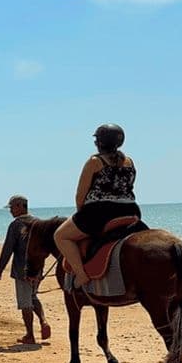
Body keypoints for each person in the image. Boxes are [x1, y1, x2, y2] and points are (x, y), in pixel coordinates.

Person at [54, 123, 141, 287]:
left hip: (100, 213)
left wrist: (80, 214)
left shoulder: (95, 161)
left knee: (60, 236)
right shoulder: (129, 161)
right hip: (131, 210)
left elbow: (80, 195)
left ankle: (81, 275)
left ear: (99, 142)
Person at [0, 194, 51, 345]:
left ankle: (30, 335)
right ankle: (43, 321)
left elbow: (8, 248)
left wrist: (0, 268)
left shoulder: (16, 225)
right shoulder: (39, 223)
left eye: (12, 207)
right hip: (38, 269)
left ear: (20, 206)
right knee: (32, 297)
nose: (10, 211)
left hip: (22, 270)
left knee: (25, 303)